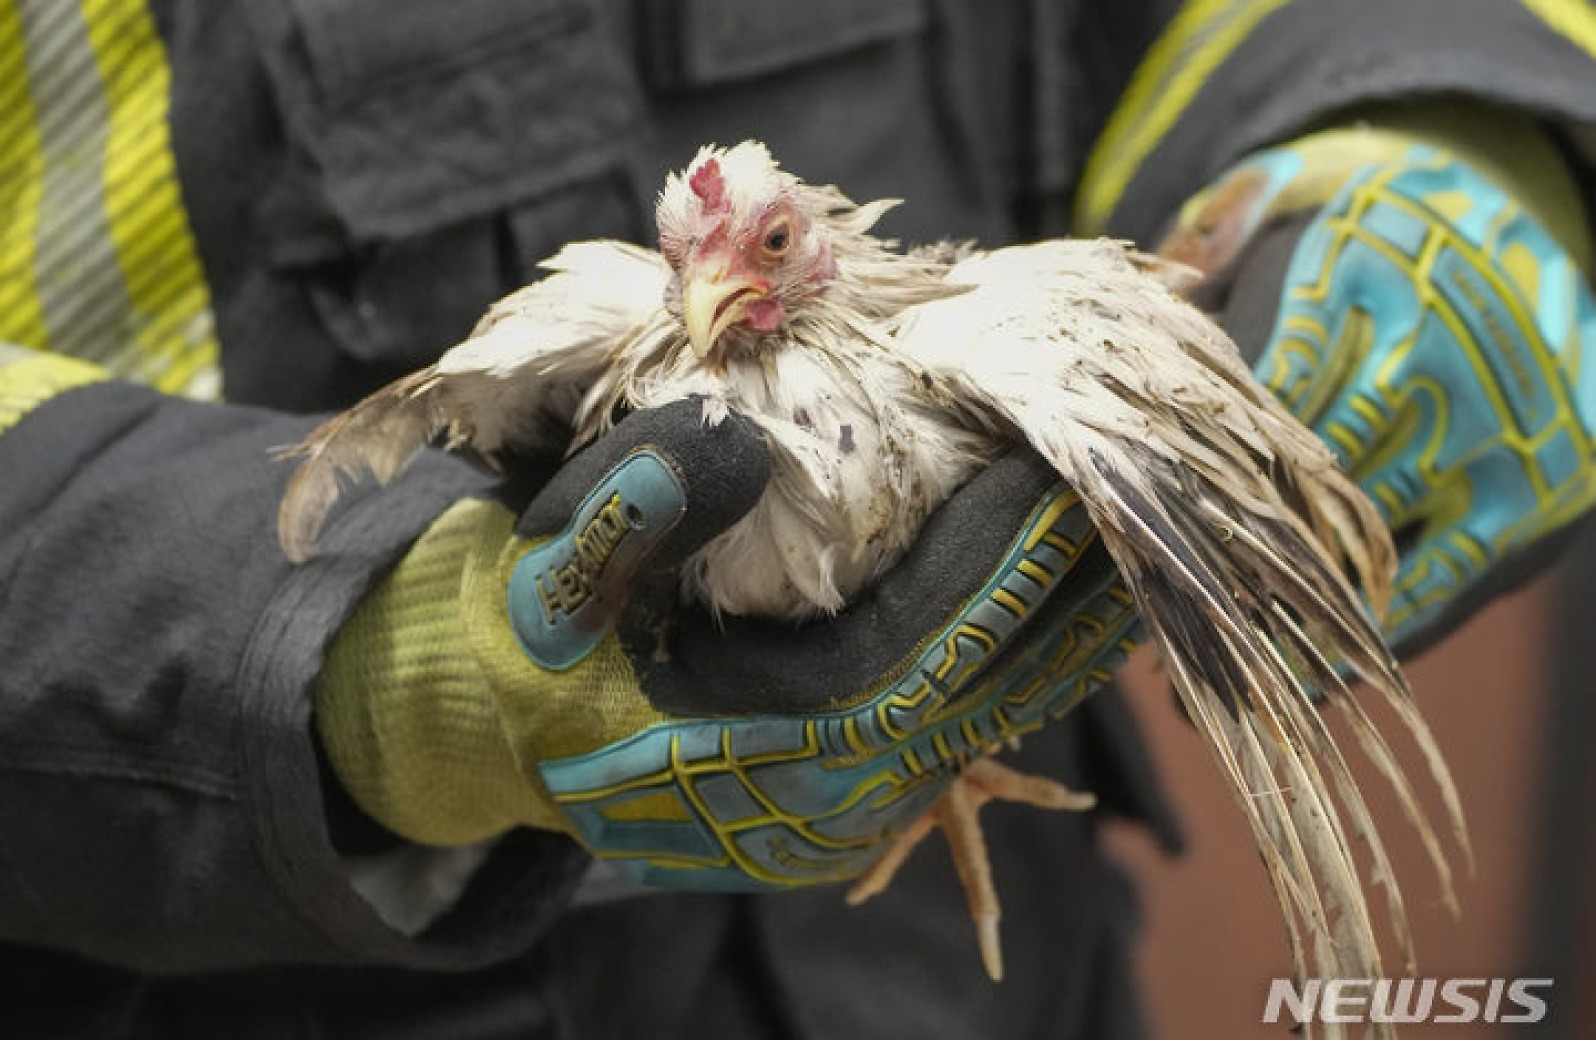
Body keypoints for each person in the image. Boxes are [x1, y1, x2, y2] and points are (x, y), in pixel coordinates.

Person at [2, 2, 1595, 1037]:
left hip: (972, 988)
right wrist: (347, 668)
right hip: (252, 957)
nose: (722, 294)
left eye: (757, 251)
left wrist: (1431, 108)